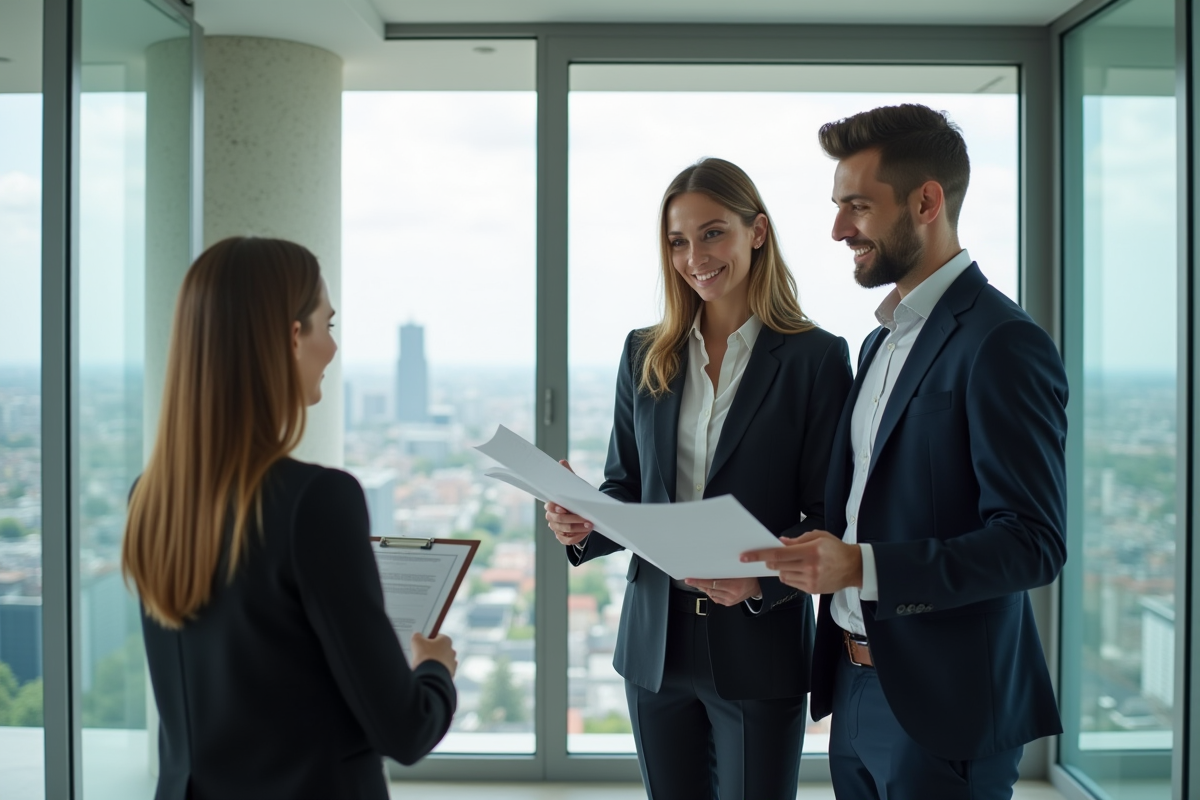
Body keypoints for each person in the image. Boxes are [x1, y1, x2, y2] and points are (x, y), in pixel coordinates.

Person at [742, 104, 1068, 800]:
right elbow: (863, 512)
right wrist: (766, 568)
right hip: (853, 688)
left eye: (857, 206)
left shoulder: (1002, 343)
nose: (837, 230)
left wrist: (860, 566)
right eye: (837, 207)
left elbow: (1032, 543)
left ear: (926, 201)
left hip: (945, 709)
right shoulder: (879, 343)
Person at [546, 158, 853, 800]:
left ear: (757, 232)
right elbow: (626, 488)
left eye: (713, 233)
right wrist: (582, 521)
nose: (695, 256)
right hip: (654, 646)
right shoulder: (644, 350)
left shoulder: (815, 358)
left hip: (758, 644)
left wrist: (760, 577)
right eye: (678, 241)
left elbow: (829, 512)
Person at [122, 237, 457, 800]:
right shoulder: (318, 501)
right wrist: (434, 670)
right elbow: (404, 729)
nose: (332, 347)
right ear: (291, 336)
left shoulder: (150, 499)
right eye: (328, 325)